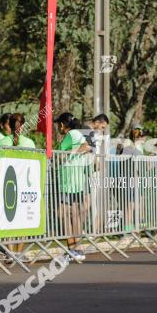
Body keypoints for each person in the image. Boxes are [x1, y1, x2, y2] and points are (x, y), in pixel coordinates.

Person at [55, 112, 91, 262]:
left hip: (69, 181)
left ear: (63, 125)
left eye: (58, 124)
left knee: (62, 214)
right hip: (74, 180)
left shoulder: (71, 134)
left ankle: (73, 250)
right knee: (73, 215)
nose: (58, 127)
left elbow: (85, 147)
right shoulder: (77, 134)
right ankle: (77, 250)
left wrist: (69, 153)